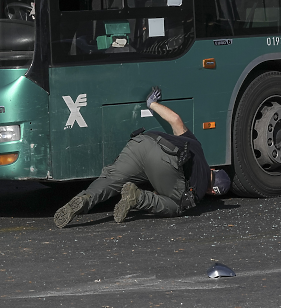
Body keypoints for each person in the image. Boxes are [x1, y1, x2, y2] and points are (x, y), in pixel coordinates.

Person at [54, 86, 231, 228]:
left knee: (111, 178)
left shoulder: (197, 146)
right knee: (177, 205)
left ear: (213, 170)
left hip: (143, 141)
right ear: (211, 191)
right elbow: (169, 191)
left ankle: (84, 199)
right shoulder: (199, 191)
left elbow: (176, 120)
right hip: (166, 160)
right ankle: (137, 197)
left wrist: (152, 103)